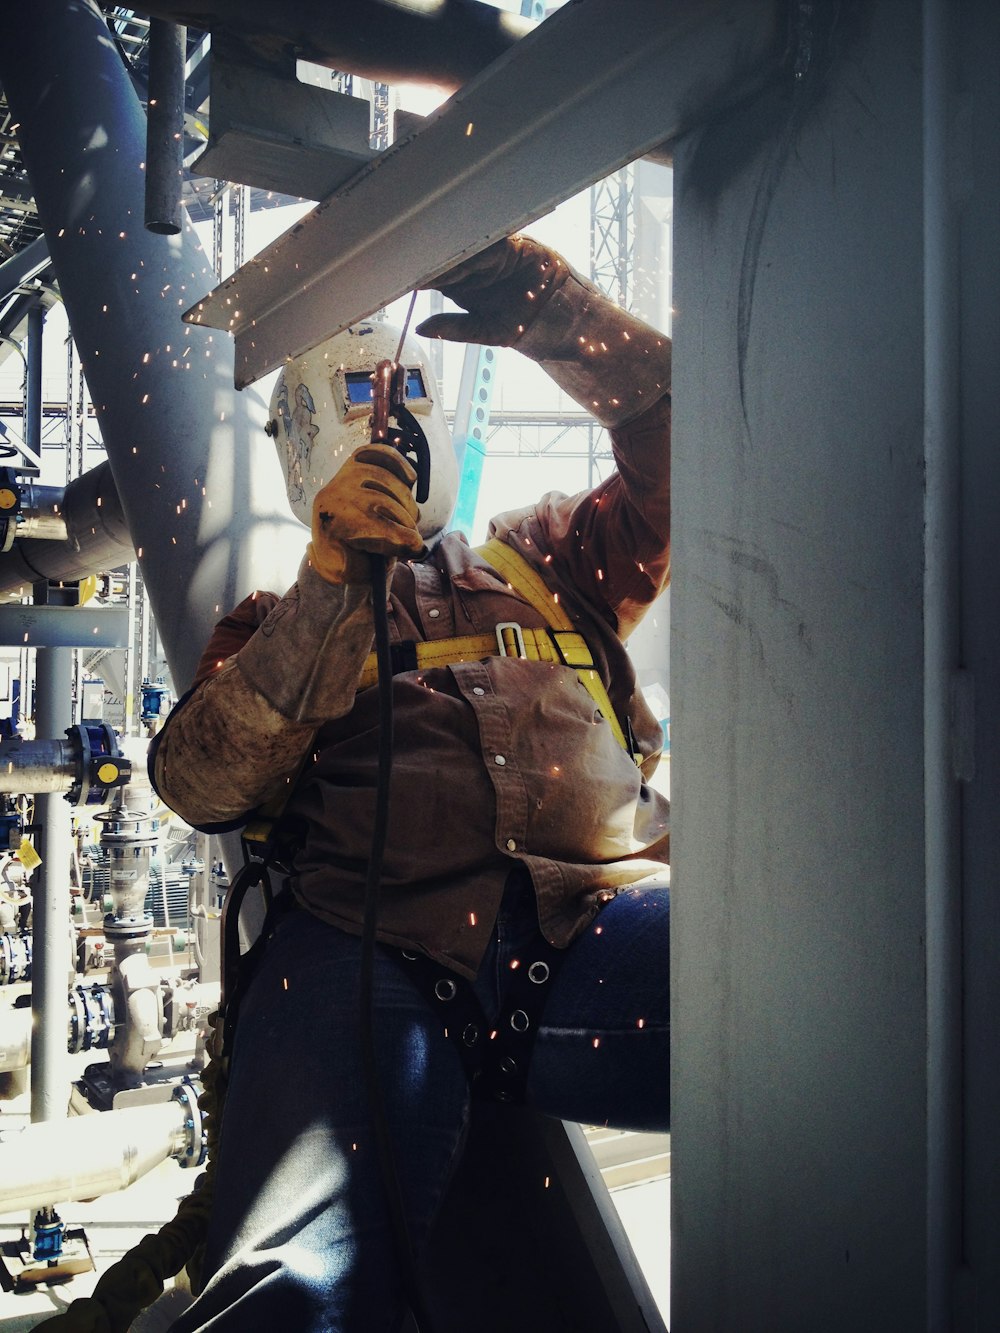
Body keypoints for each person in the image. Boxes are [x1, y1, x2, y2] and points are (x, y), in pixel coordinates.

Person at [150, 234, 672, 1331]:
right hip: (358, 955)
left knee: (846, 1027)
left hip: (593, 928)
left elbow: (689, 446)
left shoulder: (551, 562)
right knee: (291, 1287)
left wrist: (552, 312)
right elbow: (201, 779)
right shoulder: (267, 624)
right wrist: (330, 588)